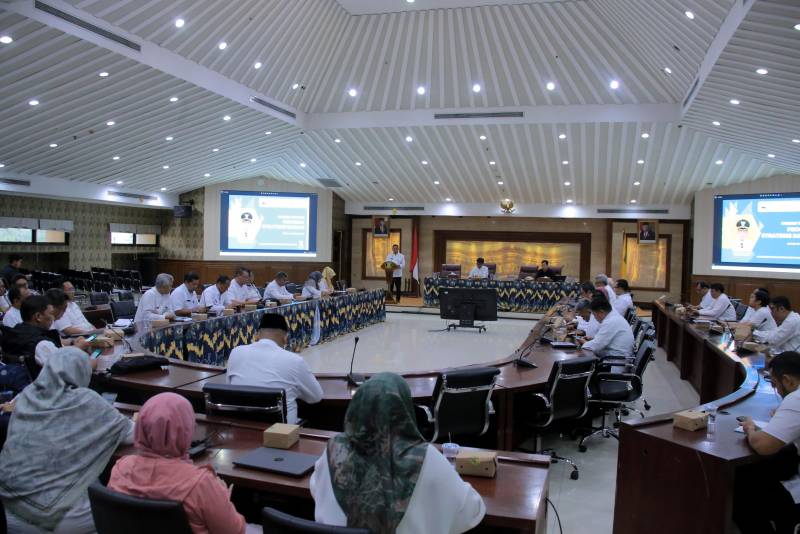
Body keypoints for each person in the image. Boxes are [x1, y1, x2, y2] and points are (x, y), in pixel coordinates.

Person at [310, 373, 485, 534]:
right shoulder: (425, 457)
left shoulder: (334, 450)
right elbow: (471, 511)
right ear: (405, 410)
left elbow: (316, 487)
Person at [0, 348, 134, 533]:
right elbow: (133, 434)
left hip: (9, 508)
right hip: (58, 517)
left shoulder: (27, 396)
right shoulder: (86, 400)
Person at [109, 393, 258, 534]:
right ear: (186, 430)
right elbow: (235, 531)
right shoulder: (201, 484)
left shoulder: (120, 468)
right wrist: (222, 496)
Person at [735, 351, 800, 533]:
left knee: (741, 486)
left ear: (788, 380)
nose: (777, 391)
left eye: (775, 384)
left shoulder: (796, 398)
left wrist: (750, 428)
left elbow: (762, 445)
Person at [227, 314, 322, 424]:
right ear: (285, 338)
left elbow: (230, 387)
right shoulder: (294, 361)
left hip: (242, 427)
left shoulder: (236, 352)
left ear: (257, 335)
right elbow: (316, 397)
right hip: (280, 433)